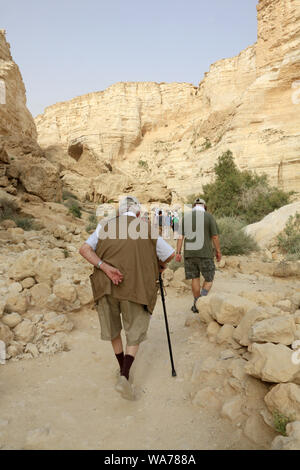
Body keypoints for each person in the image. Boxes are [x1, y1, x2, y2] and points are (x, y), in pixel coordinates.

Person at [79, 196, 175, 400]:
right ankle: (124, 374)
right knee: (135, 329)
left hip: (106, 286)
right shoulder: (146, 228)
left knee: (113, 328)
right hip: (136, 288)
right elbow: (169, 256)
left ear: (119, 212)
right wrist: (158, 264)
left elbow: (85, 249)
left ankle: (121, 367)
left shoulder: (104, 226)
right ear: (138, 213)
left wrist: (104, 266)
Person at [175, 197, 221, 313]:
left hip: (189, 254)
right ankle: (201, 301)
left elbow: (180, 237)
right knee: (209, 278)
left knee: (195, 278)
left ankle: (196, 303)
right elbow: (215, 237)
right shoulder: (209, 217)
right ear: (204, 207)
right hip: (205, 253)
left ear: (194, 207)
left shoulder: (186, 218)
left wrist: (178, 252)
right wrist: (218, 252)